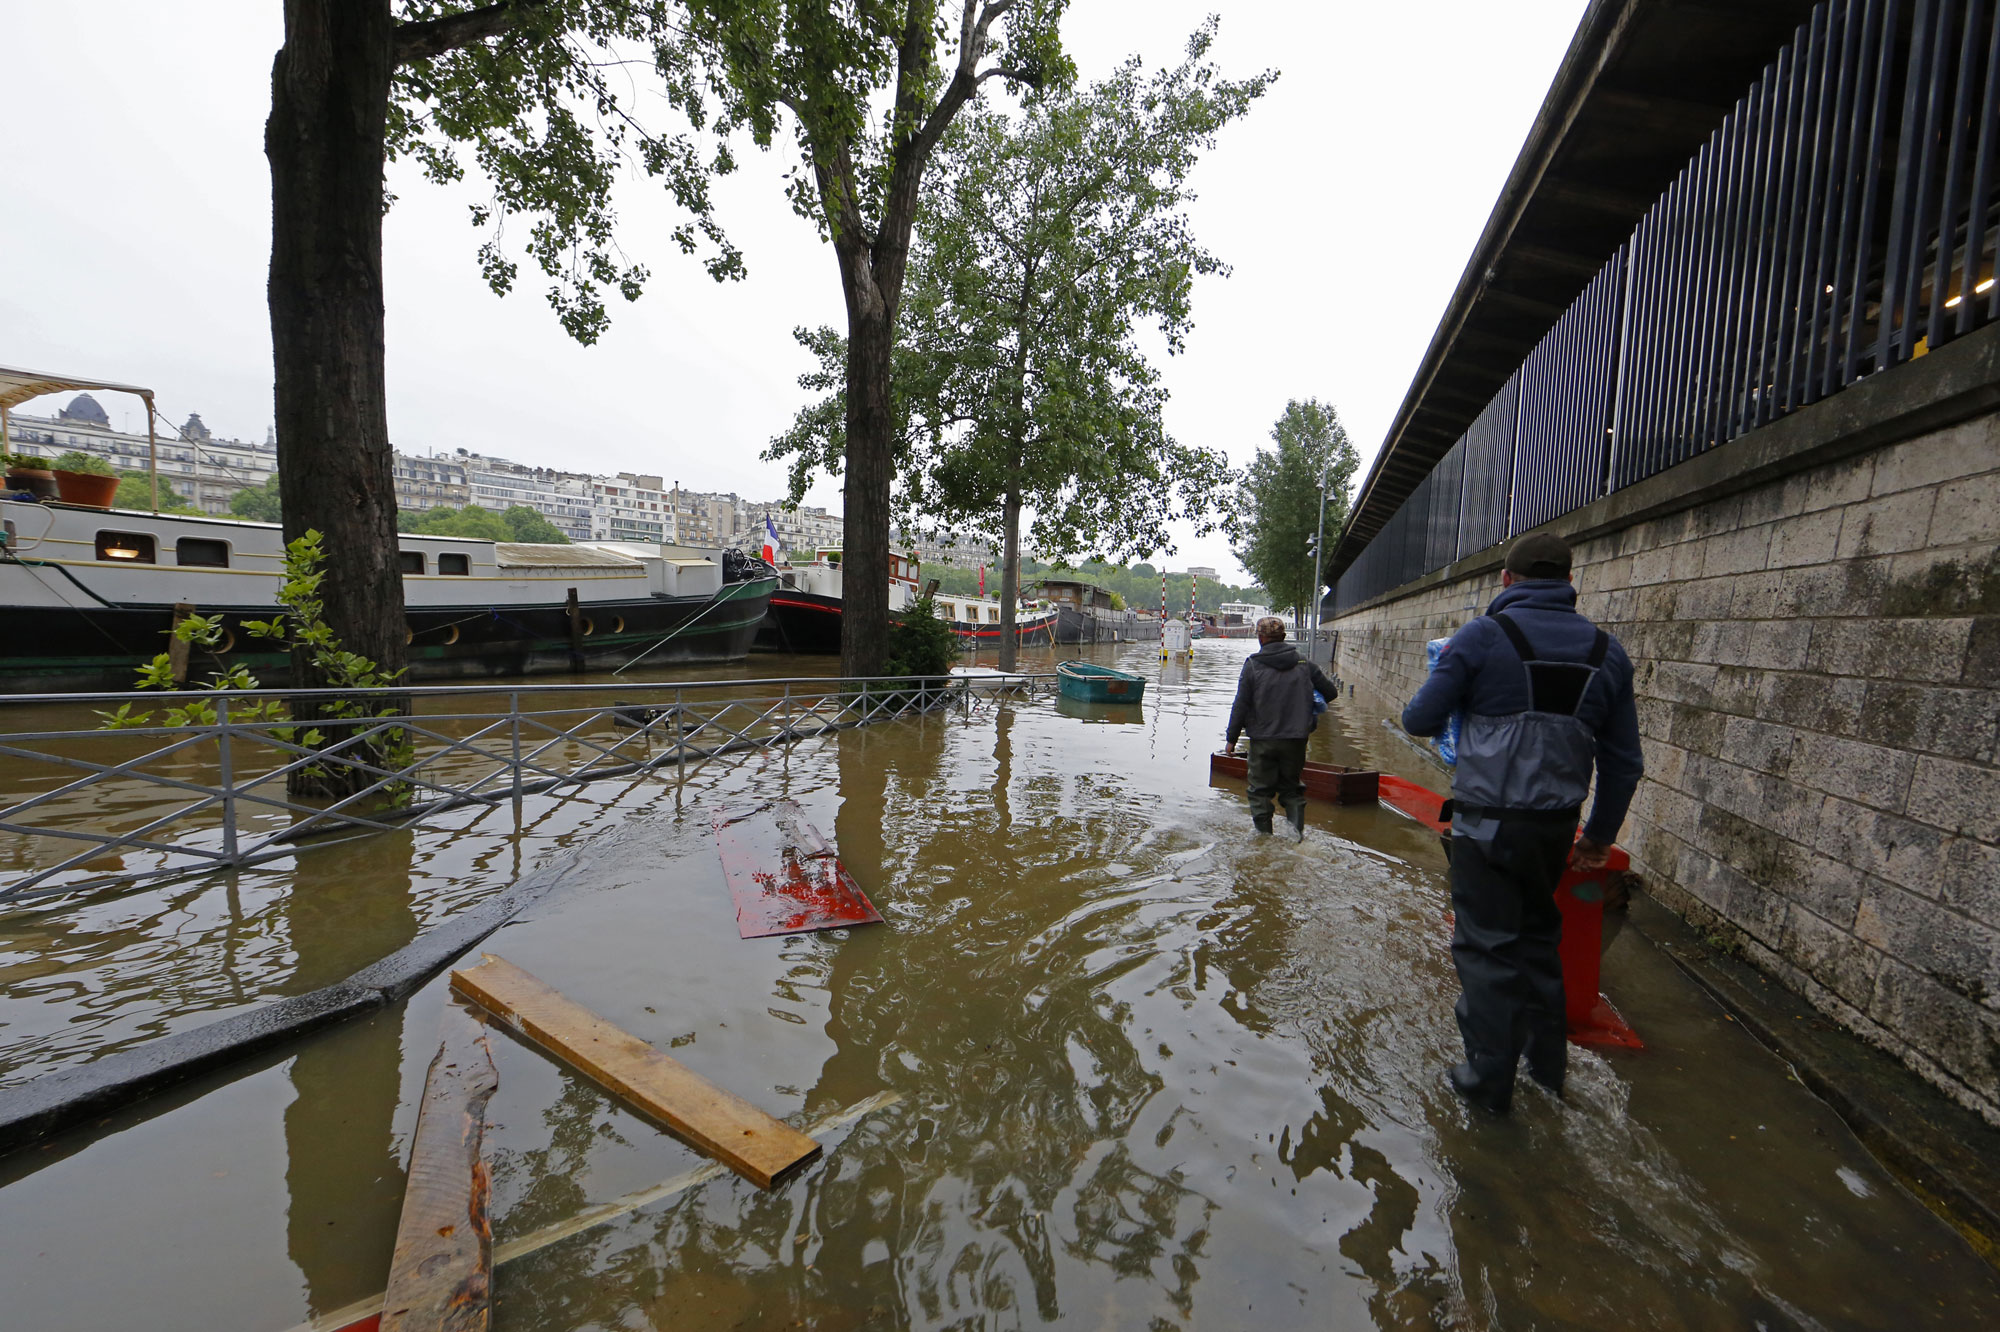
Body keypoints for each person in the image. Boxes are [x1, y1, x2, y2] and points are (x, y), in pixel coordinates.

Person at [1402, 532, 1642, 1114]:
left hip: (1486, 826)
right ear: (1567, 581)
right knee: (1538, 943)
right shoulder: (1607, 653)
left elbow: (1418, 718)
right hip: (1556, 829)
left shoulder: (1482, 637)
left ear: (1505, 581)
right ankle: (1547, 1072)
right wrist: (1597, 838)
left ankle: (1487, 1084)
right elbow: (1623, 761)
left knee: (1486, 949)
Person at [1225, 617, 1342, 838]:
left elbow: (1241, 704)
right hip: (1296, 739)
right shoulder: (1303, 664)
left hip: (1263, 739)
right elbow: (1331, 693)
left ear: (1261, 637)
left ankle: (1264, 840)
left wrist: (1231, 739)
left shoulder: (1253, 665)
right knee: (1292, 790)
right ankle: (1296, 838)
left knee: (1260, 792)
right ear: (1283, 637)